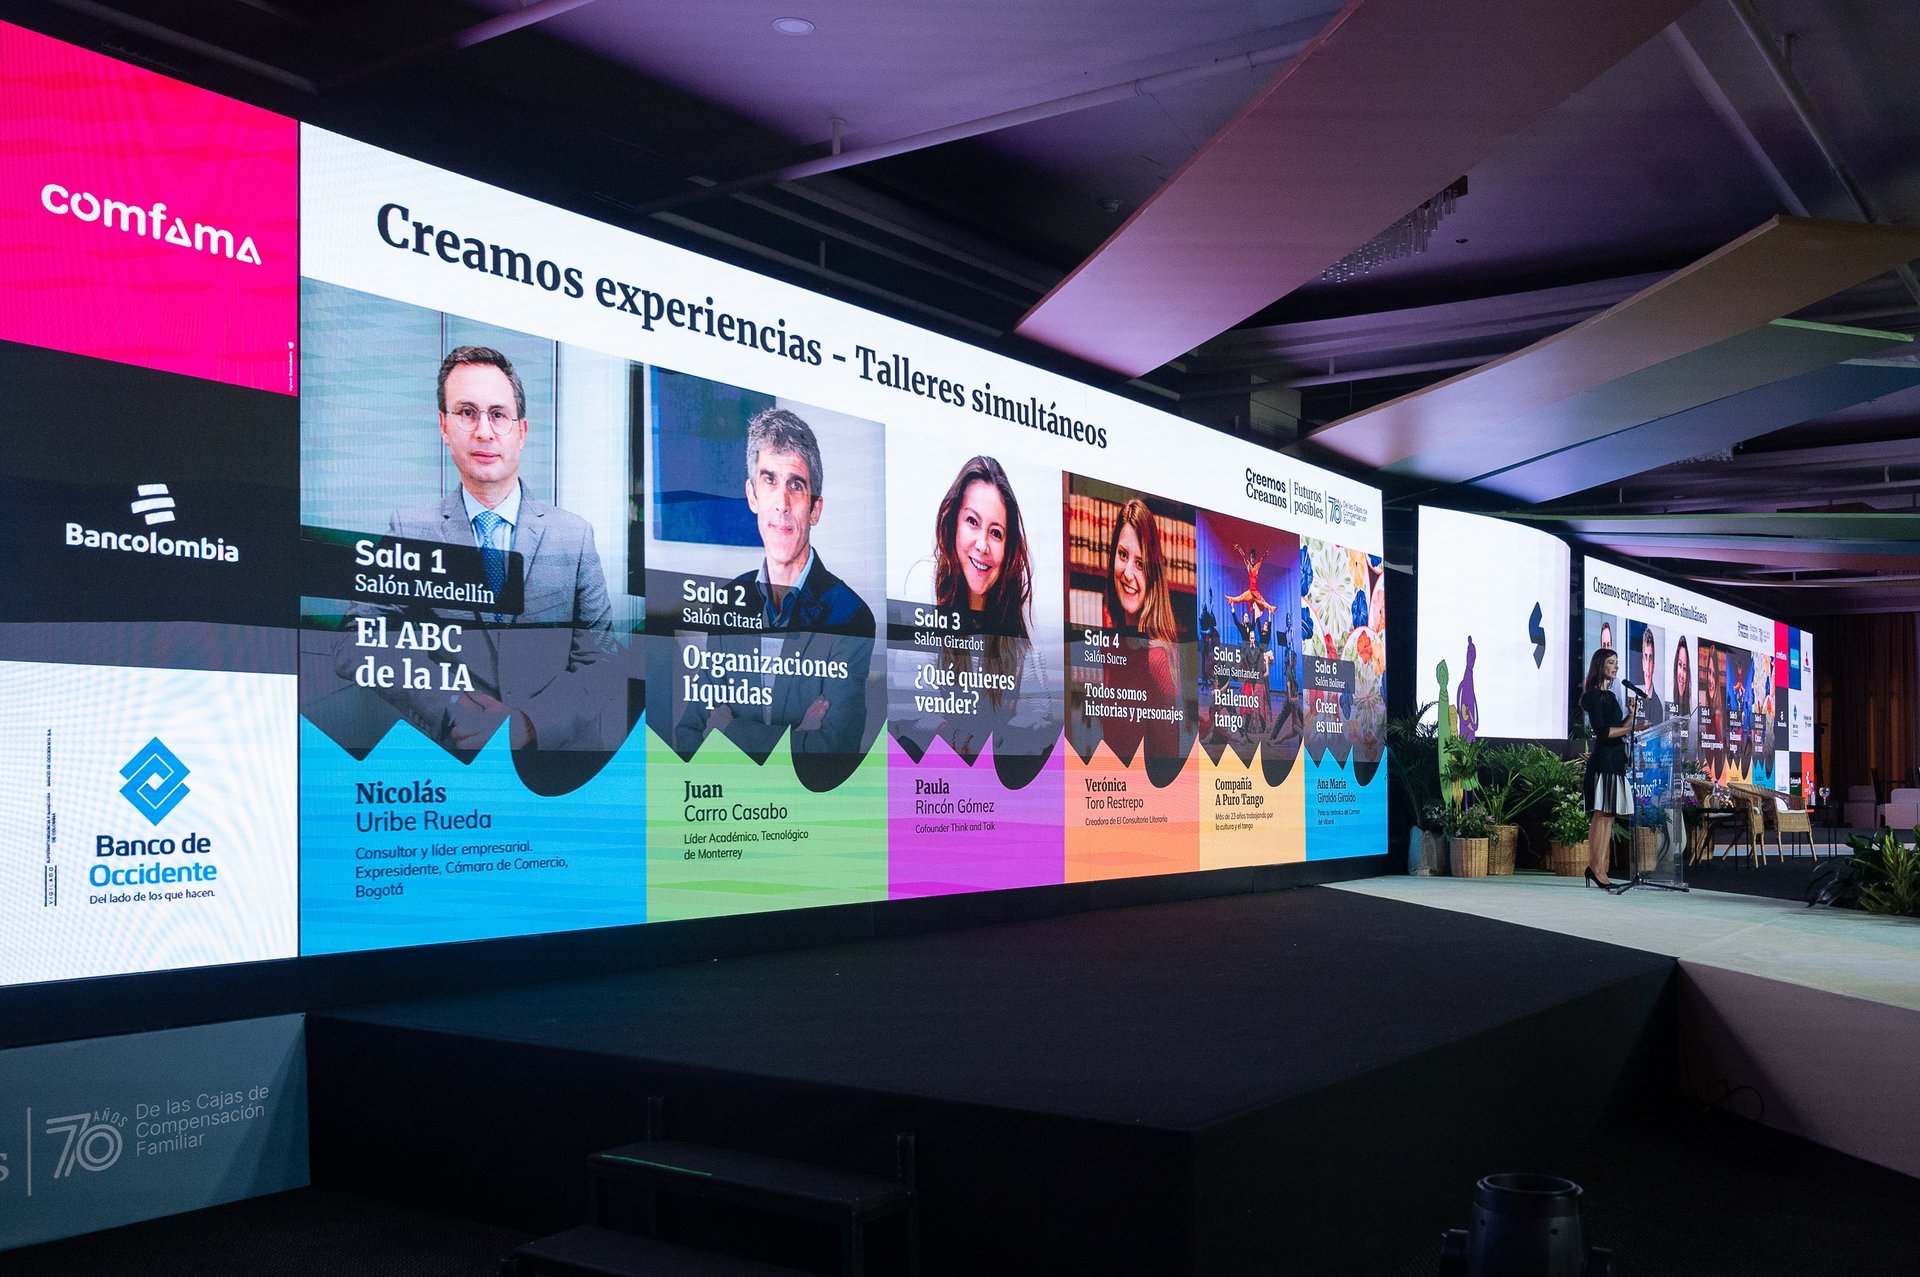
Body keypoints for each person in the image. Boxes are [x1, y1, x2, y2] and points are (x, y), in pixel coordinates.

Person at [335, 345, 617, 767]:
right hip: (449, 764)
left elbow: (602, 662)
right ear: (444, 426)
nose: (484, 431)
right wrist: (452, 706)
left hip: (554, 771)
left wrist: (525, 725)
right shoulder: (410, 530)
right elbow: (355, 641)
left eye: (498, 414)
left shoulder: (573, 536)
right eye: (467, 412)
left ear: (521, 431)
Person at [680, 407, 874, 790]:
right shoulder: (727, 602)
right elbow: (688, 734)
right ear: (752, 495)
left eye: (796, 485)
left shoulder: (851, 617)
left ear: (815, 508)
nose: (782, 503)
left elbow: (831, 757)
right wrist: (795, 737)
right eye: (769, 480)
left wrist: (731, 732)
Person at [896, 455, 1055, 781]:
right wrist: (954, 735)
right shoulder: (922, 589)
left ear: (1008, 547)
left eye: (996, 533)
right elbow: (907, 712)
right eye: (972, 521)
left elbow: (1039, 717)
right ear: (952, 522)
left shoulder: (1018, 612)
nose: (983, 544)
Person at [1096, 498, 1183, 773]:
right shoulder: (1112, 644)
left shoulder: (1156, 658)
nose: (1128, 574)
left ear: (1153, 573)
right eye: (1123, 555)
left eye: (1141, 563)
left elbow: (1166, 771)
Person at [1581, 648, 1634, 891]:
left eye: (1616, 663)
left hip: (1616, 760)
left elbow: (1618, 729)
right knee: (1601, 813)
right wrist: (1633, 728)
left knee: (1610, 815)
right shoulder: (1592, 697)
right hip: (1603, 761)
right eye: (1611, 663)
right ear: (1600, 665)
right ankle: (1594, 866)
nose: (1615, 667)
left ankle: (1599, 867)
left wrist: (1631, 718)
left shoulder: (1611, 697)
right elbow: (1603, 732)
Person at [1635, 626, 1666, 728]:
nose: (1648, 665)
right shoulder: (1635, 696)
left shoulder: (1657, 706)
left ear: (1654, 664)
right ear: (1642, 662)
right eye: (1645, 657)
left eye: (1651, 658)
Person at [1671, 636, 1692, 718]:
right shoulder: (1669, 694)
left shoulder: (1690, 702)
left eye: (1685, 668)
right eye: (1679, 665)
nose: (1682, 675)